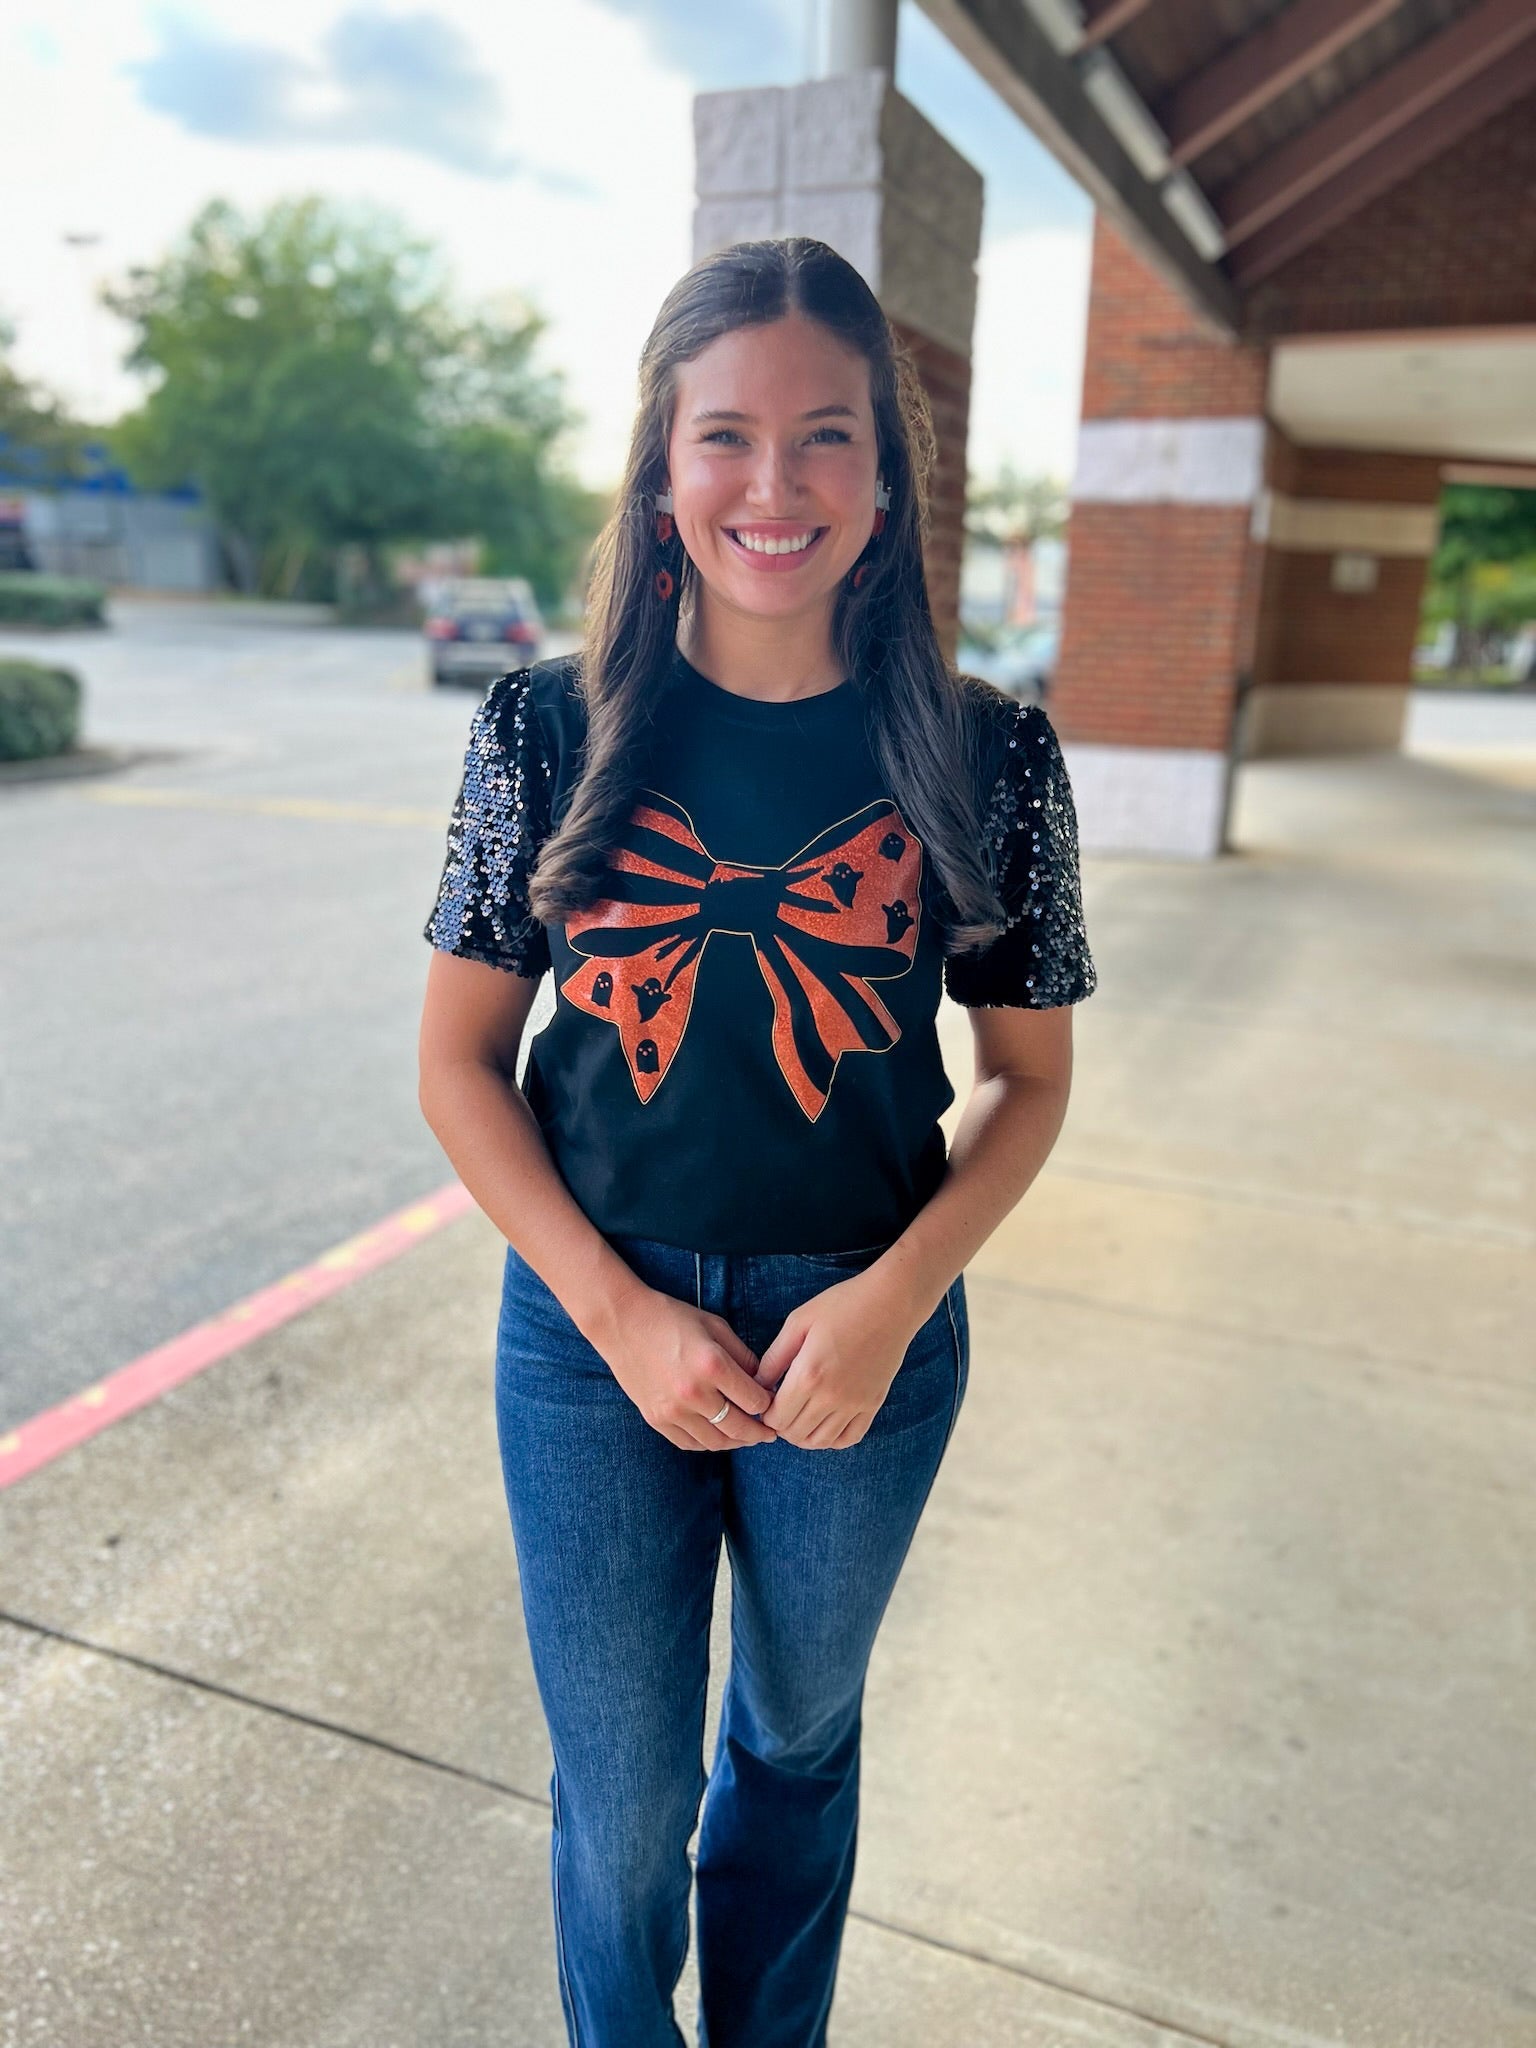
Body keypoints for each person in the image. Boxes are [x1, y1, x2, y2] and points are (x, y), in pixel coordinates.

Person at [417, 235, 1096, 2048]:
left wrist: (891, 1300)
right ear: (661, 464)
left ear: (888, 475)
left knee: (795, 1743)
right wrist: (620, 1315)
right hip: (591, 1334)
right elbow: (461, 1068)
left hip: (861, 1331)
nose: (772, 487)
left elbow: (1028, 1083)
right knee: (626, 1792)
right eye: (724, 435)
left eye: (824, 438)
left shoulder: (991, 757)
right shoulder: (543, 727)